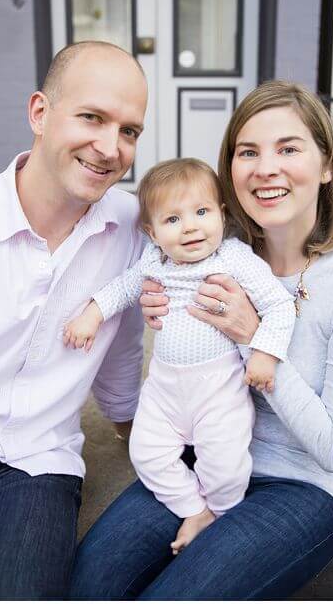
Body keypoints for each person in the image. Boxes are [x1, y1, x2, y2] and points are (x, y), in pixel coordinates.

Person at [70, 81, 333, 599]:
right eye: (249, 152)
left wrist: (251, 335)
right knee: (88, 584)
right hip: (199, 457)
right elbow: (139, 267)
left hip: (300, 486)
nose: (266, 167)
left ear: (327, 166)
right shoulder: (210, 250)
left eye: (288, 148)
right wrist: (157, 304)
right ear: (231, 174)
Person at [0, 41, 148, 599]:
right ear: (40, 113)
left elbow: (123, 346)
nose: (110, 147)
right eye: (92, 117)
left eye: (130, 130)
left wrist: (131, 425)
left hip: (36, 469)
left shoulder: (133, 226)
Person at [63, 158, 296, 554]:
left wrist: (265, 355)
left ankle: (221, 512)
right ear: (152, 233)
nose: (190, 226)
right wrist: (91, 314)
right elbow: (122, 288)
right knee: (145, 452)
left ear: (222, 216)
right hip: (165, 391)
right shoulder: (154, 262)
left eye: (202, 212)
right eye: (173, 220)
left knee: (225, 466)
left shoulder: (233, 258)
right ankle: (192, 507)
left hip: (218, 391)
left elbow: (279, 305)